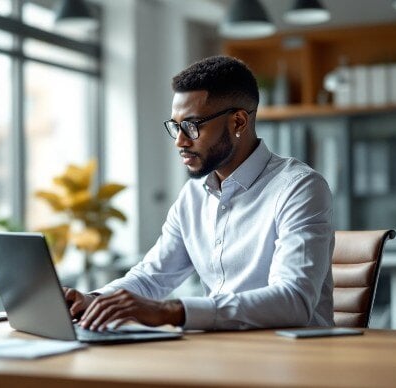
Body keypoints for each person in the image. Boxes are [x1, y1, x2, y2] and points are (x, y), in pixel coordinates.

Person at [64, 55, 335, 331]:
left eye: (192, 126)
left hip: (291, 359)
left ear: (238, 122)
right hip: (219, 353)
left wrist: (173, 311)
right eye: (176, 126)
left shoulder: (299, 188)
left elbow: (293, 300)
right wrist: (94, 300)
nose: (180, 141)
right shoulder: (193, 195)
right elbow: (152, 277)